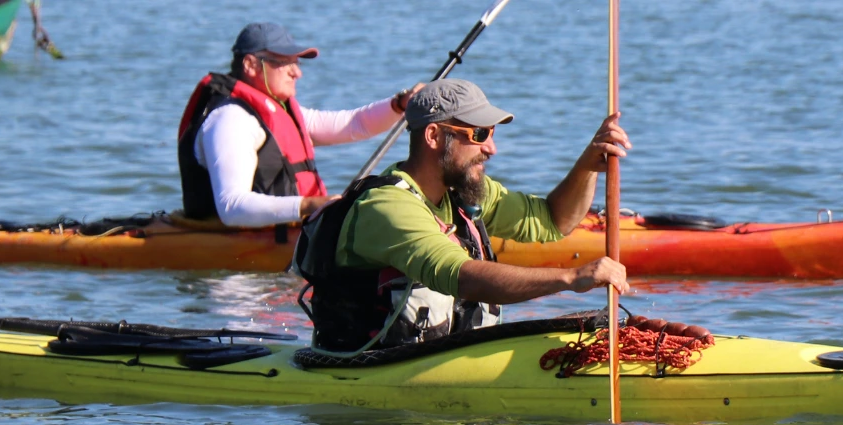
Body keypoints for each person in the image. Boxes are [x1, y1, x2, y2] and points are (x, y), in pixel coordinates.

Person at [295, 79, 632, 354]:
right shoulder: (387, 208)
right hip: (371, 373)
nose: (491, 149)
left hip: (442, 361)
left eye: (492, 134)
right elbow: (461, 275)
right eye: (479, 135)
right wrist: (570, 279)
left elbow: (552, 220)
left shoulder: (462, 192)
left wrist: (590, 162)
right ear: (433, 136)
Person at [175, 22, 420, 228]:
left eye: (297, 63)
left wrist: (400, 104)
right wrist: (308, 205)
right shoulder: (231, 121)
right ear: (250, 64)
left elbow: (354, 125)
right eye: (284, 63)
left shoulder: (280, 112)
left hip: (285, 238)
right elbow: (231, 207)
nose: (297, 73)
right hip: (238, 274)